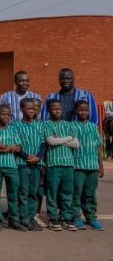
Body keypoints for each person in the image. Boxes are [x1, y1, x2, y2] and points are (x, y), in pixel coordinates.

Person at [43, 98, 79, 231]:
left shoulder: (69, 124)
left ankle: (66, 217)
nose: (57, 110)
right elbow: (50, 141)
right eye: (54, 108)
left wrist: (60, 139)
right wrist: (68, 138)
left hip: (69, 164)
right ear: (49, 110)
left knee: (67, 193)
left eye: (59, 108)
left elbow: (76, 143)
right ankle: (53, 218)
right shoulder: (46, 124)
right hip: (53, 164)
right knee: (52, 192)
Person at [0, 105, 24, 231]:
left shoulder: (13, 129)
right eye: (3, 114)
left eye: (8, 115)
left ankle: (13, 220)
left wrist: (3, 146)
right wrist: (7, 148)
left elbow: (18, 147)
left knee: (13, 194)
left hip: (11, 166)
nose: (6, 117)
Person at [71, 100, 104, 231]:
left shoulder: (92, 126)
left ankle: (91, 217)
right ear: (75, 111)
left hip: (92, 166)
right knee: (77, 193)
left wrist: (100, 165)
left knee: (90, 193)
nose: (83, 112)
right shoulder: (71, 126)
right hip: (77, 166)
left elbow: (98, 146)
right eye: (81, 110)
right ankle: (76, 217)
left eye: (86, 110)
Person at [14, 97, 45, 232]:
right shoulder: (16, 125)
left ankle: (31, 217)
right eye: (28, 108)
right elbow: (17, 145)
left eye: (34, 108)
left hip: (36, 164)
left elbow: (44, 144)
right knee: (23, 192)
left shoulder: (40, 125)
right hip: (22, 164)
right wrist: (27, 157)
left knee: (33, 192)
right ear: (22, 109)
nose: (32, 110)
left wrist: (38, 157)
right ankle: (24, 218)